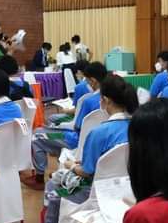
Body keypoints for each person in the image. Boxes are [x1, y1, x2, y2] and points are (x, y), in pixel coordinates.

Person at [35, 75, 138, 223]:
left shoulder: (99, 133)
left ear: (106, 100)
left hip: (95, 191)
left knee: (53, 187)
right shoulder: (138, 127)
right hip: (130, 188)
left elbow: (86, 172)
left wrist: (70, 165)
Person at [24, 62, 107, 190]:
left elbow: (77, 126)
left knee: (36, 136)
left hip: (76, 141)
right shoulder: (112, 98)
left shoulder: (88, 101)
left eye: (86, 80)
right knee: (49, 131)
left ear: (93, 81)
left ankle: (39, 178)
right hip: (99, 144)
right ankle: (61, 170)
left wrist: (58, 127)